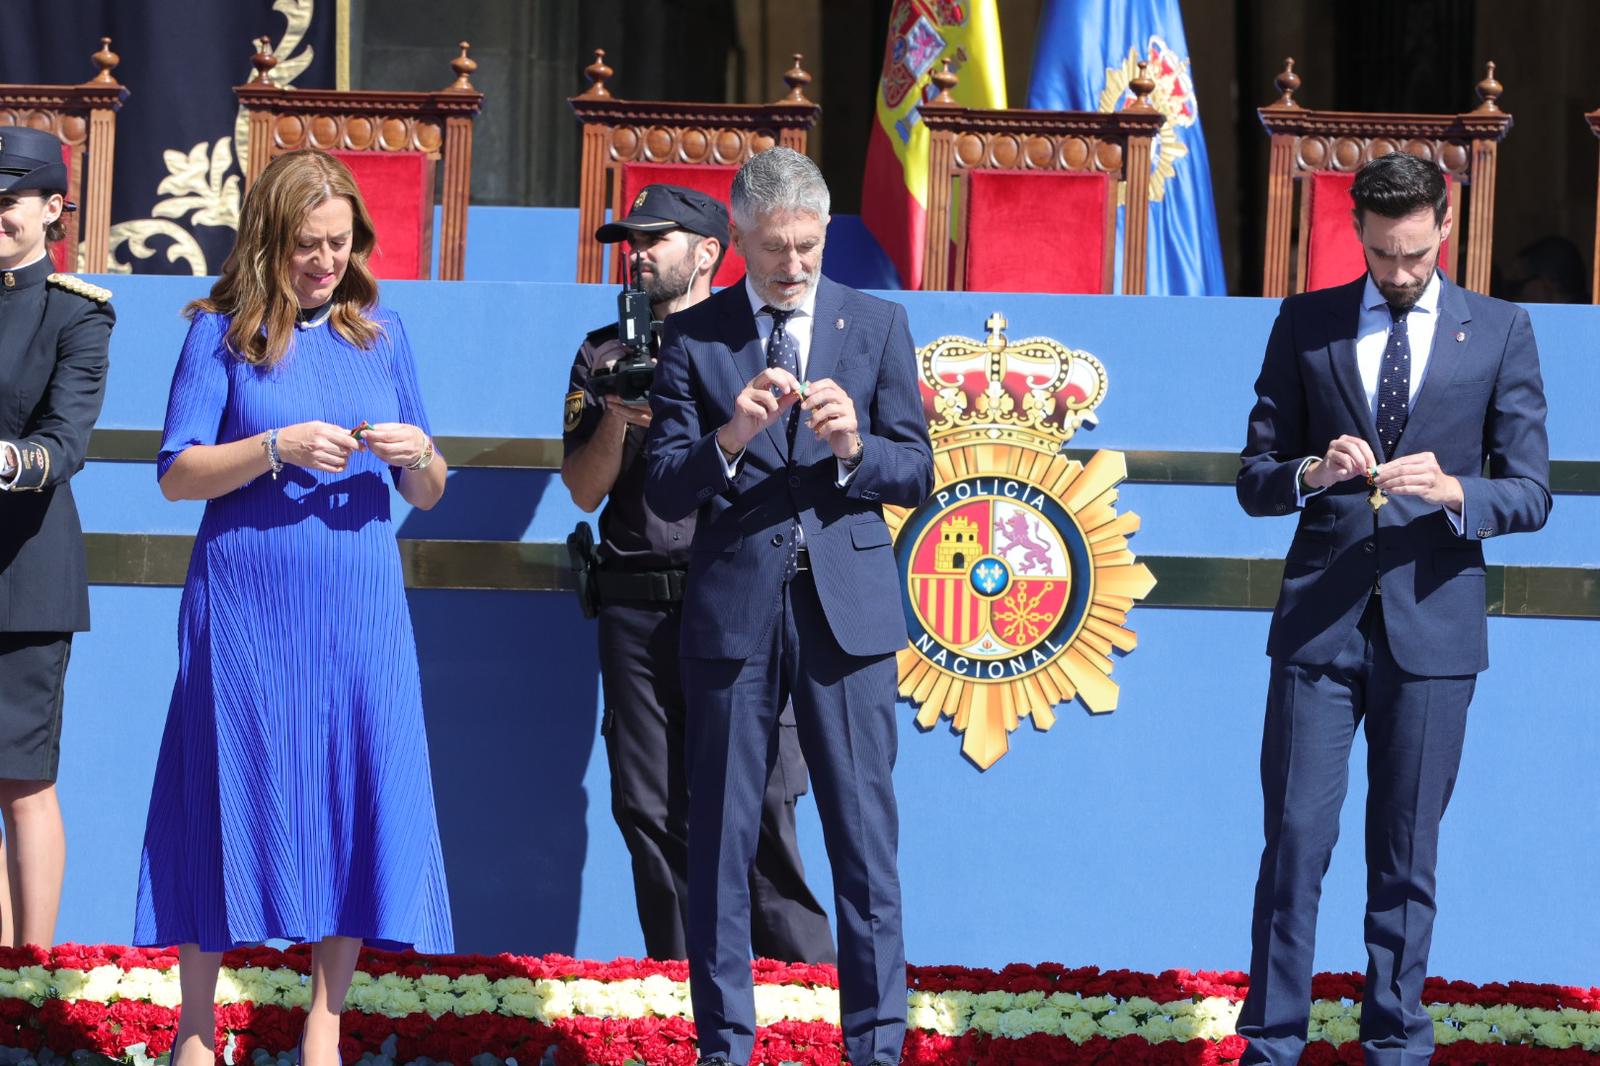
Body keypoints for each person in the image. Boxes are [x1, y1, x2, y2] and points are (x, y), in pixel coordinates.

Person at [133, 149, 453, 1066]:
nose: (324, 260)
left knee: (354, 793)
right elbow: (175, 474)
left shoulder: (382, 334)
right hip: (246, 610)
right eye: (308, 244)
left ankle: (325, 1021)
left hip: (358, 610)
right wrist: (271, 445)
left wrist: (416, 451)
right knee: (219, 791)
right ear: (270, 240)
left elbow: (428, 491)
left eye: (339, 242)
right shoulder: (219, 331)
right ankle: (197, 1026)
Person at [1235, 151, 1551, 1065]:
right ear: (1359, 235)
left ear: (1443, 228)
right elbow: (1254, 477)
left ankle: (1396, 1043)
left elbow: (1529, 490)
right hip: (1319, 624)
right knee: (1294, 844)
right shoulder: (1306, 324)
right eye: (1382, 256)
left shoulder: (1499, 330)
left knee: (1405, 857)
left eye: (1414, 254)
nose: (1401, 273)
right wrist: (1308, 472)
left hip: (1435, 624)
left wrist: (1458, 492)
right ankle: (1273, 1042)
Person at [645, 147, 933, 1066]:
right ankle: (725, 1046)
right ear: (737, 237)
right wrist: (731, 435)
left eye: (808, 246)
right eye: (774, 247)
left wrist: (855, 450)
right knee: (722, 843)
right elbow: (663, 490)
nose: (793, 265)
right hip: (732, 614)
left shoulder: (878, 322)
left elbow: (917, 470)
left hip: (846, 613)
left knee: (864, 842)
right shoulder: (696, 338)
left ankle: (876, 1048)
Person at [562, 184, 834, 965]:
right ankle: (680, 1010)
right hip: (639, 610)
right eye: (631, 239)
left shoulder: (760, 341)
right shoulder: (603, 353)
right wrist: (618, 416)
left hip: (745, 606)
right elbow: (582, 490)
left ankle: (805, 1017)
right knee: (650, 812)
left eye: (656, 238)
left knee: (764, 812)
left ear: (709, 251)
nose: (637, 252)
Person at [0, 125, 114, 948]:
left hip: (24, 572)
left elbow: (64, 442)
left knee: (22, 779)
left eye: (9, 202)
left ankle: (29, 980)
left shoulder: (76, 314)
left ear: (51, 209)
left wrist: (7, 460)